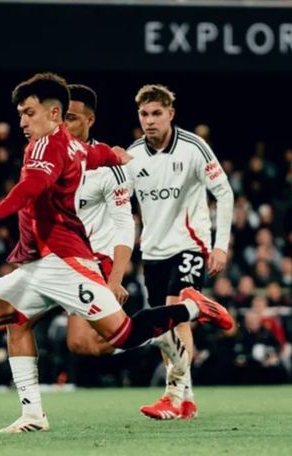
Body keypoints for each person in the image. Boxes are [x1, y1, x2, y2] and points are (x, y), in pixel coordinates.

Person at [0, 73, 234, 428]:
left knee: (122, 335)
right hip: (39, 265)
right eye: (21, 113)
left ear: (54, 114)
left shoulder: (45, 146)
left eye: (29, 113)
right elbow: (91, 153)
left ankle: (193, 307)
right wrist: (113, 155)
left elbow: (32, 185)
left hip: (67, 264)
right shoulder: (70, 144)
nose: (22, 121)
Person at [0, 83, 144, 433]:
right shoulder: (46, 151)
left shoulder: (108, 168)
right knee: (17, 321)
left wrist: (116, 279)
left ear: (90, 120)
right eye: (62, 117)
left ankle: (156, 333)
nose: (65, 124)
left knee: (81, 342)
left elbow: (125, 226)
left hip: (92, 261)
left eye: (73, 119)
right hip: (53, 259)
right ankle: (32, 414)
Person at [126, 84, 234, 420]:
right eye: (144, 114)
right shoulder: (133, 156)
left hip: (190, 244)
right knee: (162, 328)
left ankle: (172, 396)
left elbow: (225, 193)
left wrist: (220, 246)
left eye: (157, 113)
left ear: (171, 114)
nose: (150, 120)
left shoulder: (193, 147)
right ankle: (186, 399)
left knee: (174, 310)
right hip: (153, 251)